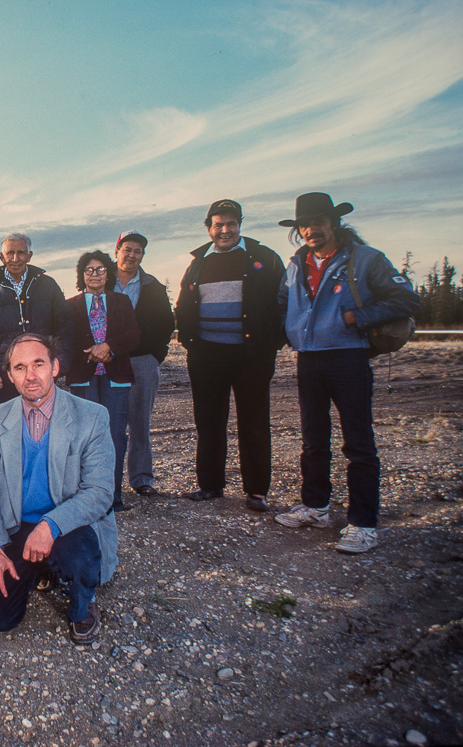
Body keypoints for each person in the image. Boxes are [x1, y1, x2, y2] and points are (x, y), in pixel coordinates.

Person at [274, 193, 419, 553]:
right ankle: (316, 506)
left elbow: (407, 299)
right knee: (313, 437)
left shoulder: (366, 259)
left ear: (334, 222)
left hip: (349, 357)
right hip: (309, 358)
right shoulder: (296, 264)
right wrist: (288, 330)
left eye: (319, 221)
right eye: (304, 224)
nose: (312, 230)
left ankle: (363, 523)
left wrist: (357, 316)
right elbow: (281, 302)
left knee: (358, 442)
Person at [0, 333, 118, 644]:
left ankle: (82, 609)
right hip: (18, 526)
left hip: (69, 523)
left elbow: (100, 492)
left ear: (55, 367)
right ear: (9, 376)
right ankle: (41, 568)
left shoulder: (91, 417)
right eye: (20, 367)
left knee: (81, 556)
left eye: (38, 364)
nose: (31, 375)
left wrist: (51, 525)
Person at [175, 200, 285, 512]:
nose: (225, 230)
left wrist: (271, 343)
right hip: (206, 354)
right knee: (209, 422)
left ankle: (256, 491)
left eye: (231, 224)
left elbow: (283, 300)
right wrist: (189, 340)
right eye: (218, 224)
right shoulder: (198, 262)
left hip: (252, 355)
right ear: (208, 227)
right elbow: (184, 303)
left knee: (253, 422)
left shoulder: (263, 258)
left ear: (240, 224)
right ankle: (210, 485)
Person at [66, 250, 140, 512]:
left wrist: (109, 347)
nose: (95, 274)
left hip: (115, 375)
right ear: (81, 274)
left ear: (108, 273)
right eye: (89, 269)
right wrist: (91, 353)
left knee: (114, 435)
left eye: (100, 269)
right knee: (83, 436)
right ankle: (85, 496)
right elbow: (66, 338)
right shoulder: (71, 304)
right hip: (83, 377)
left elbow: (133, 335)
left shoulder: (121, 301)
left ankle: (113, 496)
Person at [0, 233, 74, 405]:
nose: (15, 259)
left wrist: (60, 362)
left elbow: (65, 326)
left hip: (42, 374)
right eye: (10, 253)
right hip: (4, 376)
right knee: (8, 428)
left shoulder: (47, 285)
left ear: (29, 256)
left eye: (21, 253)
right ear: (1, 257)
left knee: (45, 424)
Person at [112, 230, 174, 498]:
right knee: (109, 424)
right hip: (109, 363)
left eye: (137, 251)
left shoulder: (153, 287)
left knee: (140, 423)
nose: (132, 255)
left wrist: (154, 356)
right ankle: (106, 482)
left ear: (142, 256)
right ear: (117, 252)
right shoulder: (101, 282)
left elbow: (166, 325)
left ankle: (141, 479)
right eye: (127, 249)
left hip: (142, 362)